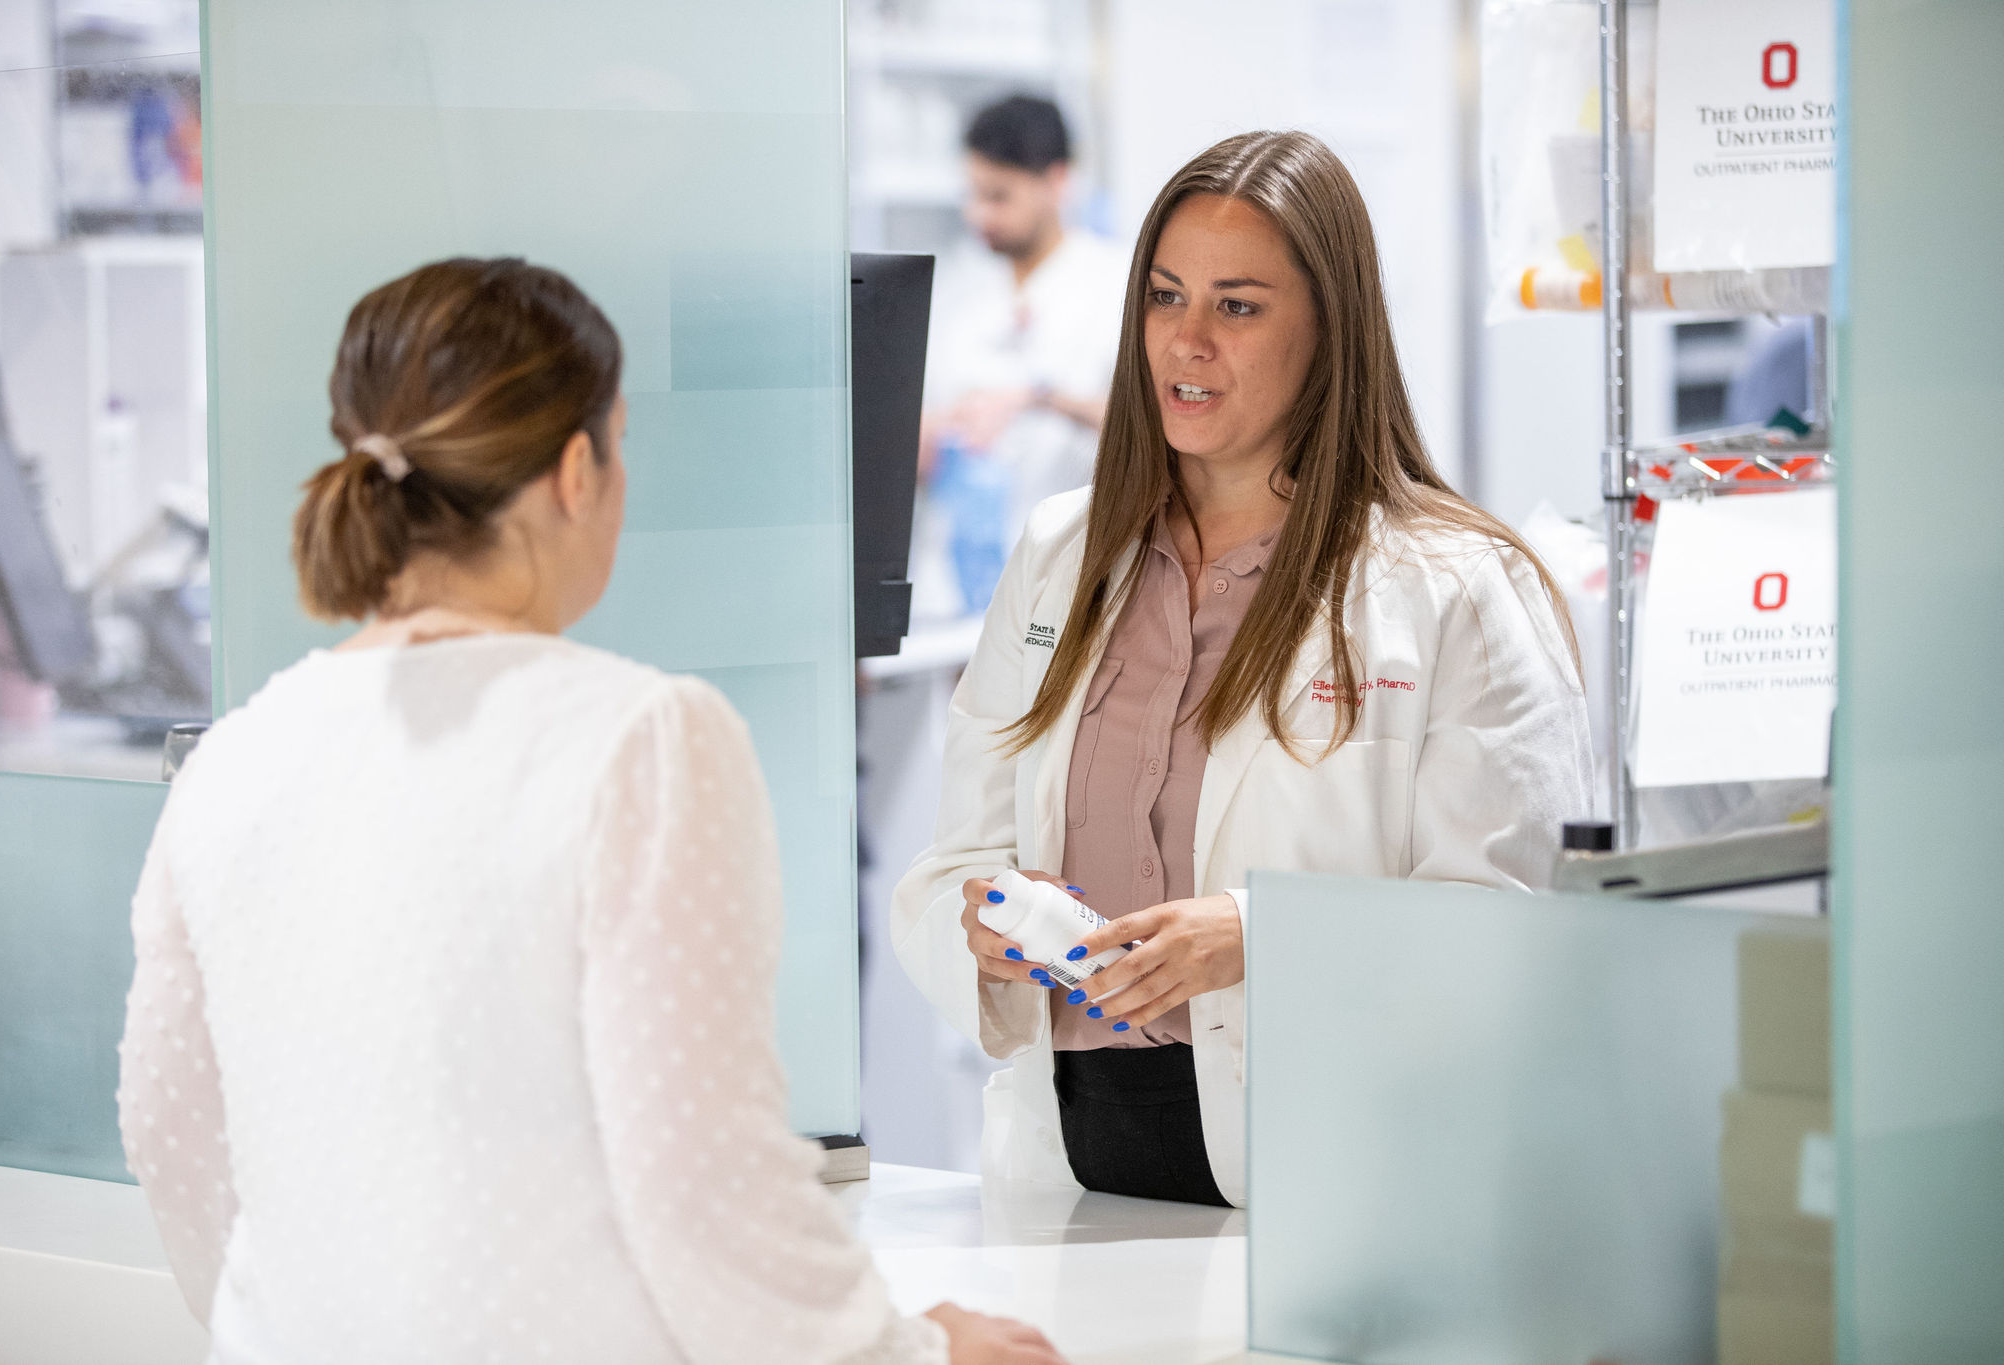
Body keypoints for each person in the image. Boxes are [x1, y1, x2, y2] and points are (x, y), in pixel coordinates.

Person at [117, 258, 1066, 1365]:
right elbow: (700, 1174)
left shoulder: (233, 759)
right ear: (577, 471)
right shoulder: (643, 742)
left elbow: (171, 1128)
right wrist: (909, 1351)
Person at [892, 132, 1594, 1208]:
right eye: (1164, 297)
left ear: (1329, 328)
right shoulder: (1056, 556)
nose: (1185, 342)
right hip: (1068, 1167)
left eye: (1237, 306)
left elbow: (1517, 922)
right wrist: (982, 927)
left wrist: (1259, 935)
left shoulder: (1456, 582)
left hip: (1342, 1172)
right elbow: (954, 862)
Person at [919, 95, 1129, 611]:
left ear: (1056, 183)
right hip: (959, 582)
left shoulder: (1115, 286)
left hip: (1073, 578)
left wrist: (1040, 400)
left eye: (999, 195)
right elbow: (927, 424)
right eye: (972, 194)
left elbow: (1153, 428)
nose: (979, 214)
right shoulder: (960, 289)